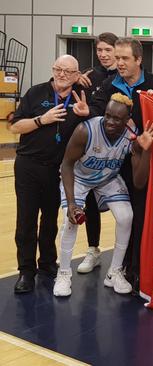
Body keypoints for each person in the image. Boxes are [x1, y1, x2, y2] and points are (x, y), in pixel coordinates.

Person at [54, 93, 153, 297]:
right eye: (107, 115)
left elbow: (138, 182)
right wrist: (73, 203)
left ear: (127, 118)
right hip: (79, 177)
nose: (110, 121)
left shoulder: (132, 135)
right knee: (71, 221)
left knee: (126, 216)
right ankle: (64, 273)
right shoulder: (86, 130)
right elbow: (66, 165)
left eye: (117, 118)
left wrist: (144, 150)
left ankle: (114, 272)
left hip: (107, 178)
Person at [89, 37, 153, 291]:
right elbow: (97, 116)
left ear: (139, 60)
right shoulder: (107, 84)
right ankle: (116, 267)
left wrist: (141, 129)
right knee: (123, 218)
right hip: (113, 164)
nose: (119, 63)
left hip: (143, 162)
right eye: (118, 58)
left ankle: (135, 270)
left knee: (140, 217)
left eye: (125, 58)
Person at [9, 55, 89, 293]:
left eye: (67, 71)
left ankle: (46, 263)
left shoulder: (80, 99)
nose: (61, 74)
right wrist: (41, 120)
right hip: (28, 166)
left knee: (50, 220)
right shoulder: (36, 92)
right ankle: (25, 271)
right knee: (26, 221)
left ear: (77, 75)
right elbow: (15, 126)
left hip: (57, 170)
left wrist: (86, 114)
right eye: (57, 69)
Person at [75, 32, 120, 275]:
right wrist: (75, 80)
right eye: (99, 50)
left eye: (107, 50)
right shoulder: (89, 76)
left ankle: (123, 256)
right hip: (93, 149)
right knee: (90, 202)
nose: (103, 54)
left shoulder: (124, 76)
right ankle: (93, 249)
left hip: (119, 149)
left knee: (123, 206)